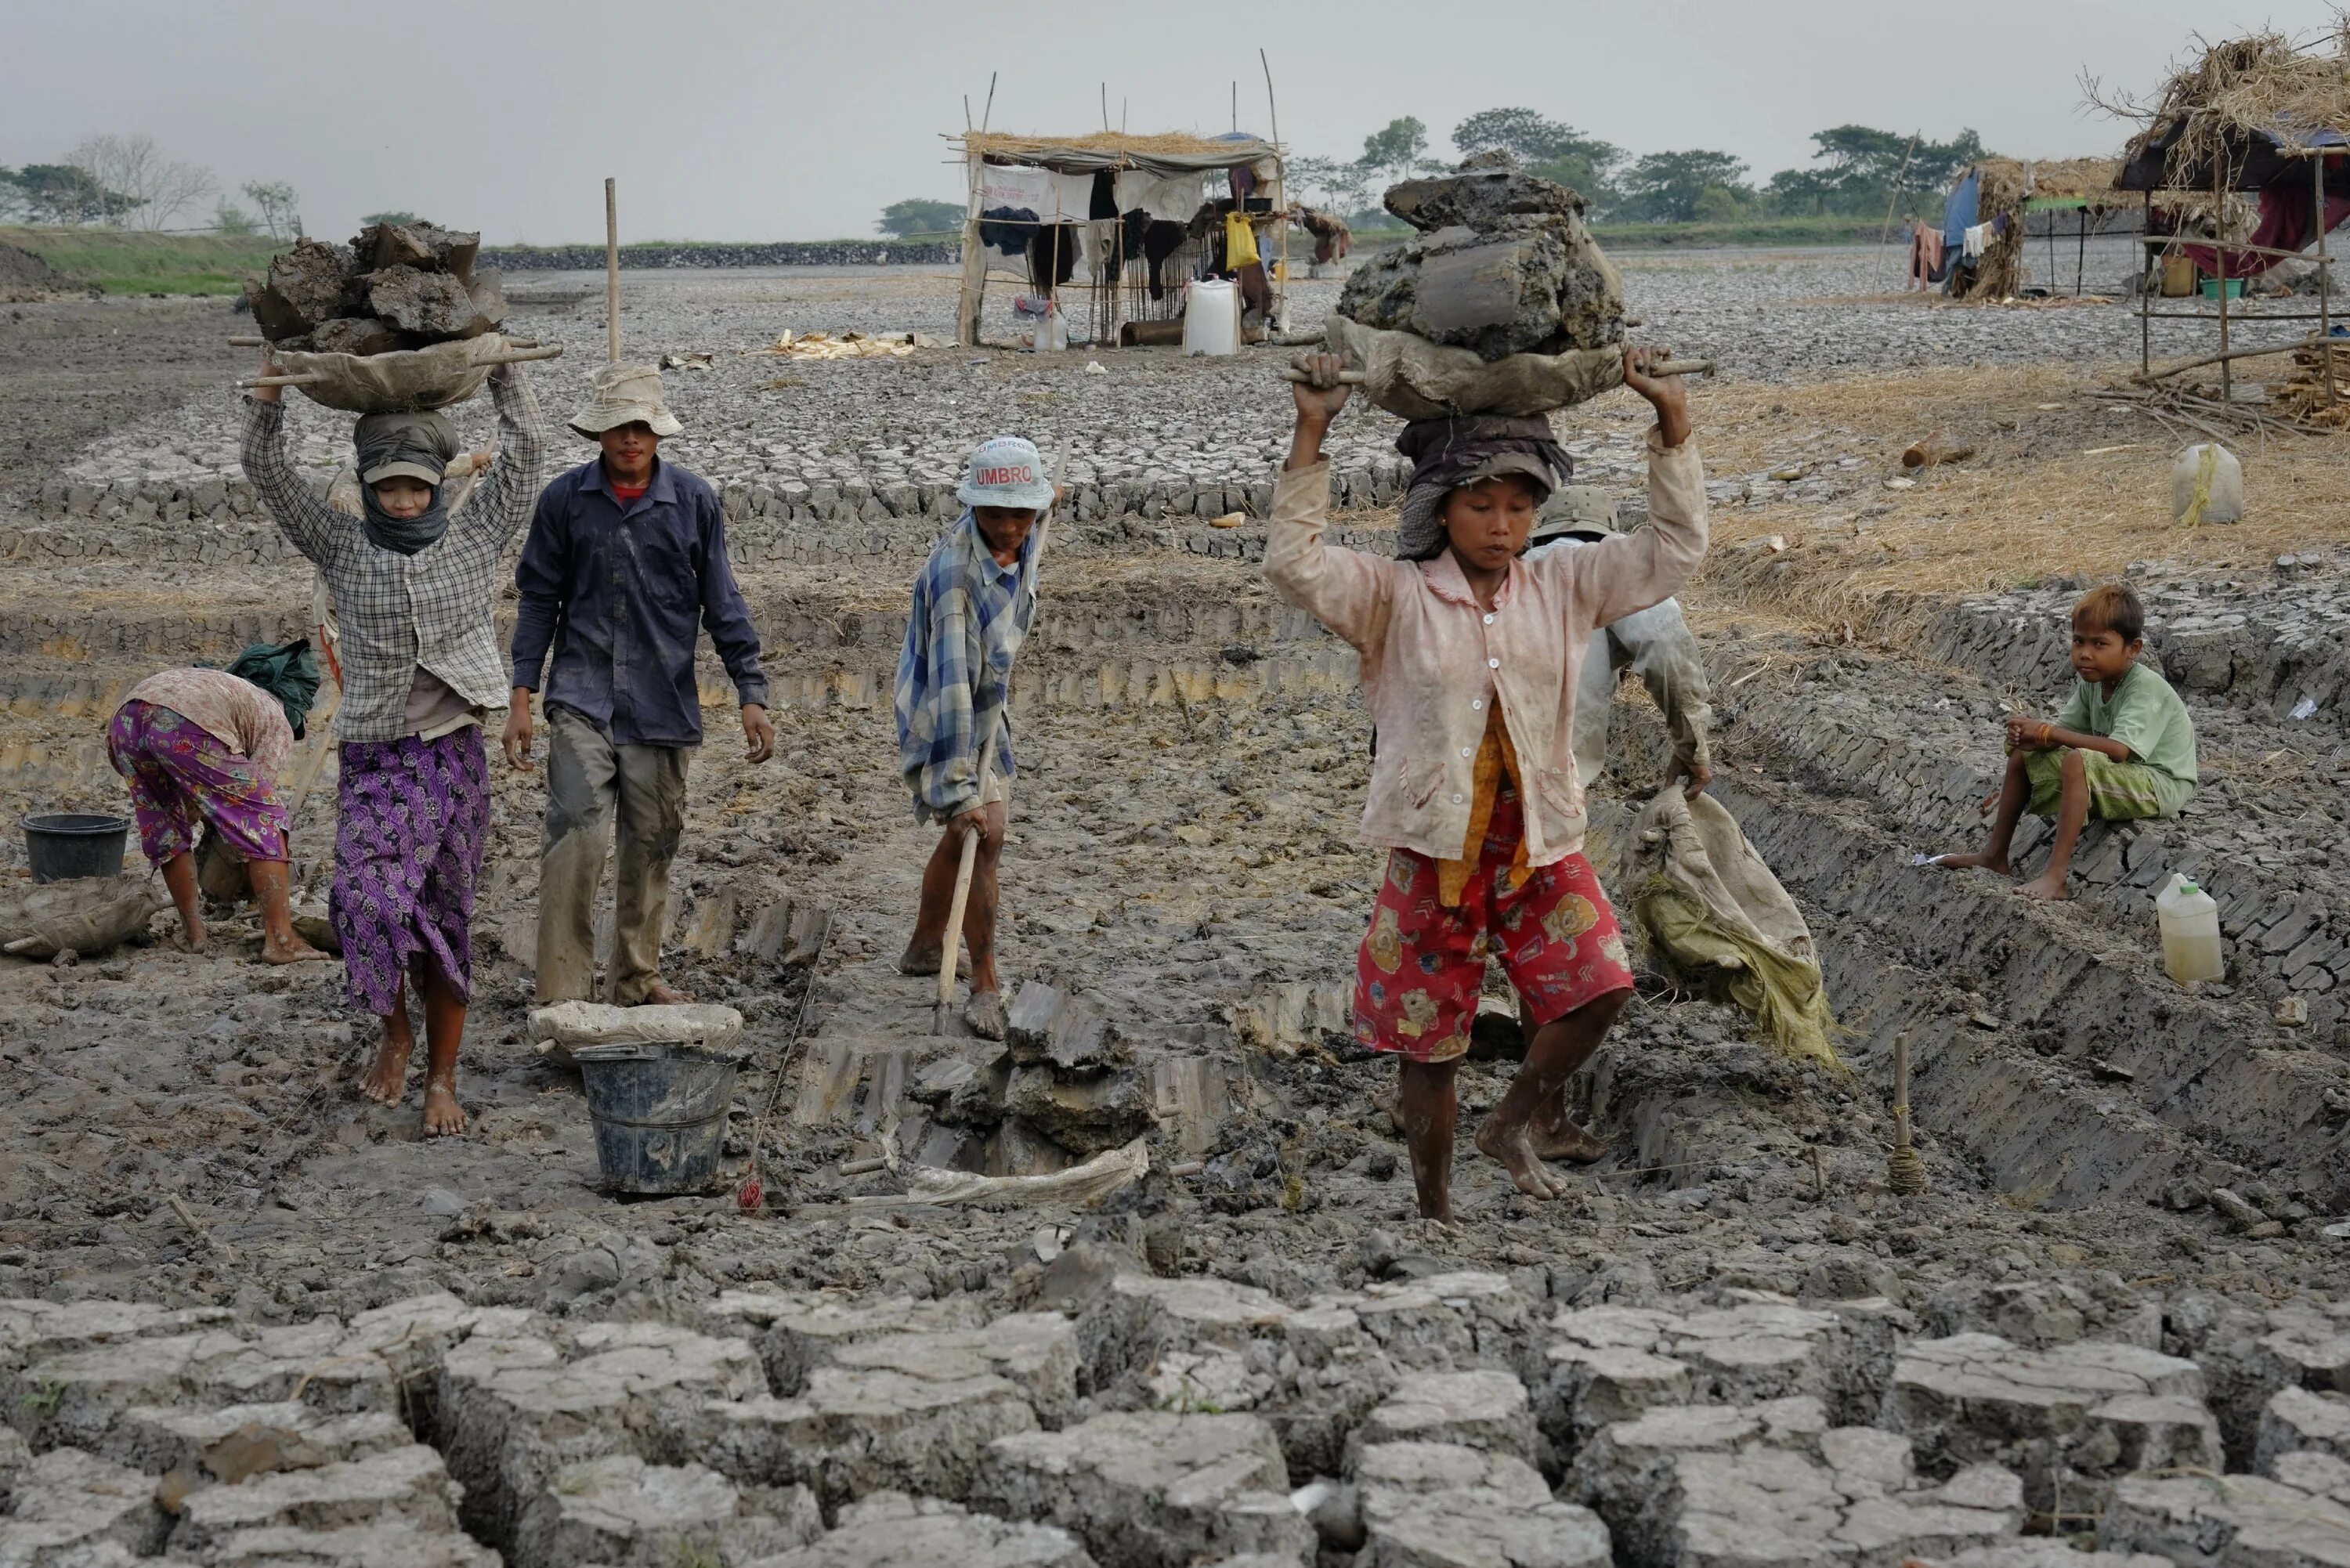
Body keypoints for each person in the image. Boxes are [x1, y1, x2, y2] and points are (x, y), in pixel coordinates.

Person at [1267, 347, 1708, 1222]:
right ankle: (1434, 1209)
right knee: (1428, 1049)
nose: (1502, 525)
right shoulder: (1394, 597)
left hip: (1540, 842)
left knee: (1602, 985)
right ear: (1441, 509)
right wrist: (1312, 428)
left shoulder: (1566, 584)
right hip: (1435, 853)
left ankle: (1510, 1124)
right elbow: (1295, 566)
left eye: (1518, 506)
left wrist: (1671, 418)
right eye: (1481, 506)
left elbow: (1675, 549)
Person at [244, 356, 545, 1137]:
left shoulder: (476, 535)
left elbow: (528, 455)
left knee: (445, 915)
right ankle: (395, 1029)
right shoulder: (341, 546)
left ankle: (442, 1076)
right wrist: (270, 394)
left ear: (441, 484)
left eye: (419, 486)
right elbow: (267, 472)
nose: (406, 502)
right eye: (390, 488)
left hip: (454, 758)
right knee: (364, 904)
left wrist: (506, 376)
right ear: (368, 488)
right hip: (377, 759)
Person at [506, 363, 774, 1010]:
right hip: (582, 696)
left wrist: (751, 693)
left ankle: (636, 978)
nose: (631, 438)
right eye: (620, 427)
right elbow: (538, 600)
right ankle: (563, 992)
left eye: (643, 428)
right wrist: (521, 696)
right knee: (577, 835)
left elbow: (723, 602)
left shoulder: (693, 502)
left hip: (662, 702)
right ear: (600, 434)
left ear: (658, 435)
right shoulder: (565, 502)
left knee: (650, 845)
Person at [893, 436, 1051, 1041]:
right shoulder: (955, 579)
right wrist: (961, 792)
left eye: (1023, 512)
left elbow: (1031, 518)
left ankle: (925, 946)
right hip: (942, 712)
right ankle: (985, 981)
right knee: (985, 833)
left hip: (988, 700)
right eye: (997, 513)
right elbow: (953, 693)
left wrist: (1045, 499)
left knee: (972, 835)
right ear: (972, 509)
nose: (1011, 527)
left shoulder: (1025, 529)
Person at [1938, 583, 2196, 901]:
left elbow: (2118, 750)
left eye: (2100, 644)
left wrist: (2047, 733)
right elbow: (2063, 732)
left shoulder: (2144, 688)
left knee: (2078, 760)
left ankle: (2056, 877)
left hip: (2160, 784)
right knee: (2024, 754)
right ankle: (1995, 855)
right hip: (2123, 773)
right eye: (2078, 641)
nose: (2085, 653)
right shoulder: (2094, 682)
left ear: (2133, 649)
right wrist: (2031, 738)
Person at [107, 665, 324, 963]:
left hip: (127, 720)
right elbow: (255, 808)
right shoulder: (275, 717)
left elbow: (198, 795)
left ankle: (194, 935)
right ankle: (282, 941)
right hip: (184, 720)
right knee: (265, 820)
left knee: (167, 827)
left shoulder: (228, 689)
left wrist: (201, 813)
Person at [1521, 493, 1714, 801]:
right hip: (1548, 783)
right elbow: (1666, 649)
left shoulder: (1506, 572)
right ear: (1609, 533)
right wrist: (1692, 747)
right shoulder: (1618, 570)